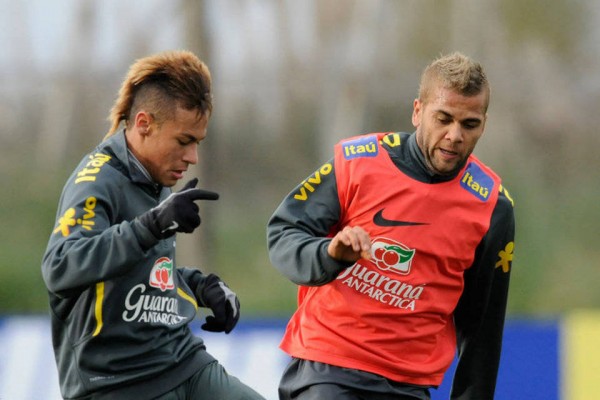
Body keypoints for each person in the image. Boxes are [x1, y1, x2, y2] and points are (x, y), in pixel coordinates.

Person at [267, 52, 515, 400]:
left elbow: (483, 327)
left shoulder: (493, 207)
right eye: (443, 118)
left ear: (483, 125)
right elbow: (282, 233)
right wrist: (329, 253)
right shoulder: (357, 163)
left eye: (469, 124)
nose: (454, 135)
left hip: (407, 386)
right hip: (327, 368)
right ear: (417, 111)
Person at [42, 50, 265, 400]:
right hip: (117, 383)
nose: (192, 157)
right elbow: (61, 265)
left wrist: (199, 285)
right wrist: (153, 224)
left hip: (180, 361)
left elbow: (142, 270)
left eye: (198, 142)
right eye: (184, 141)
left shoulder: (156, 176)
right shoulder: (96, 179)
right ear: (144, 124)